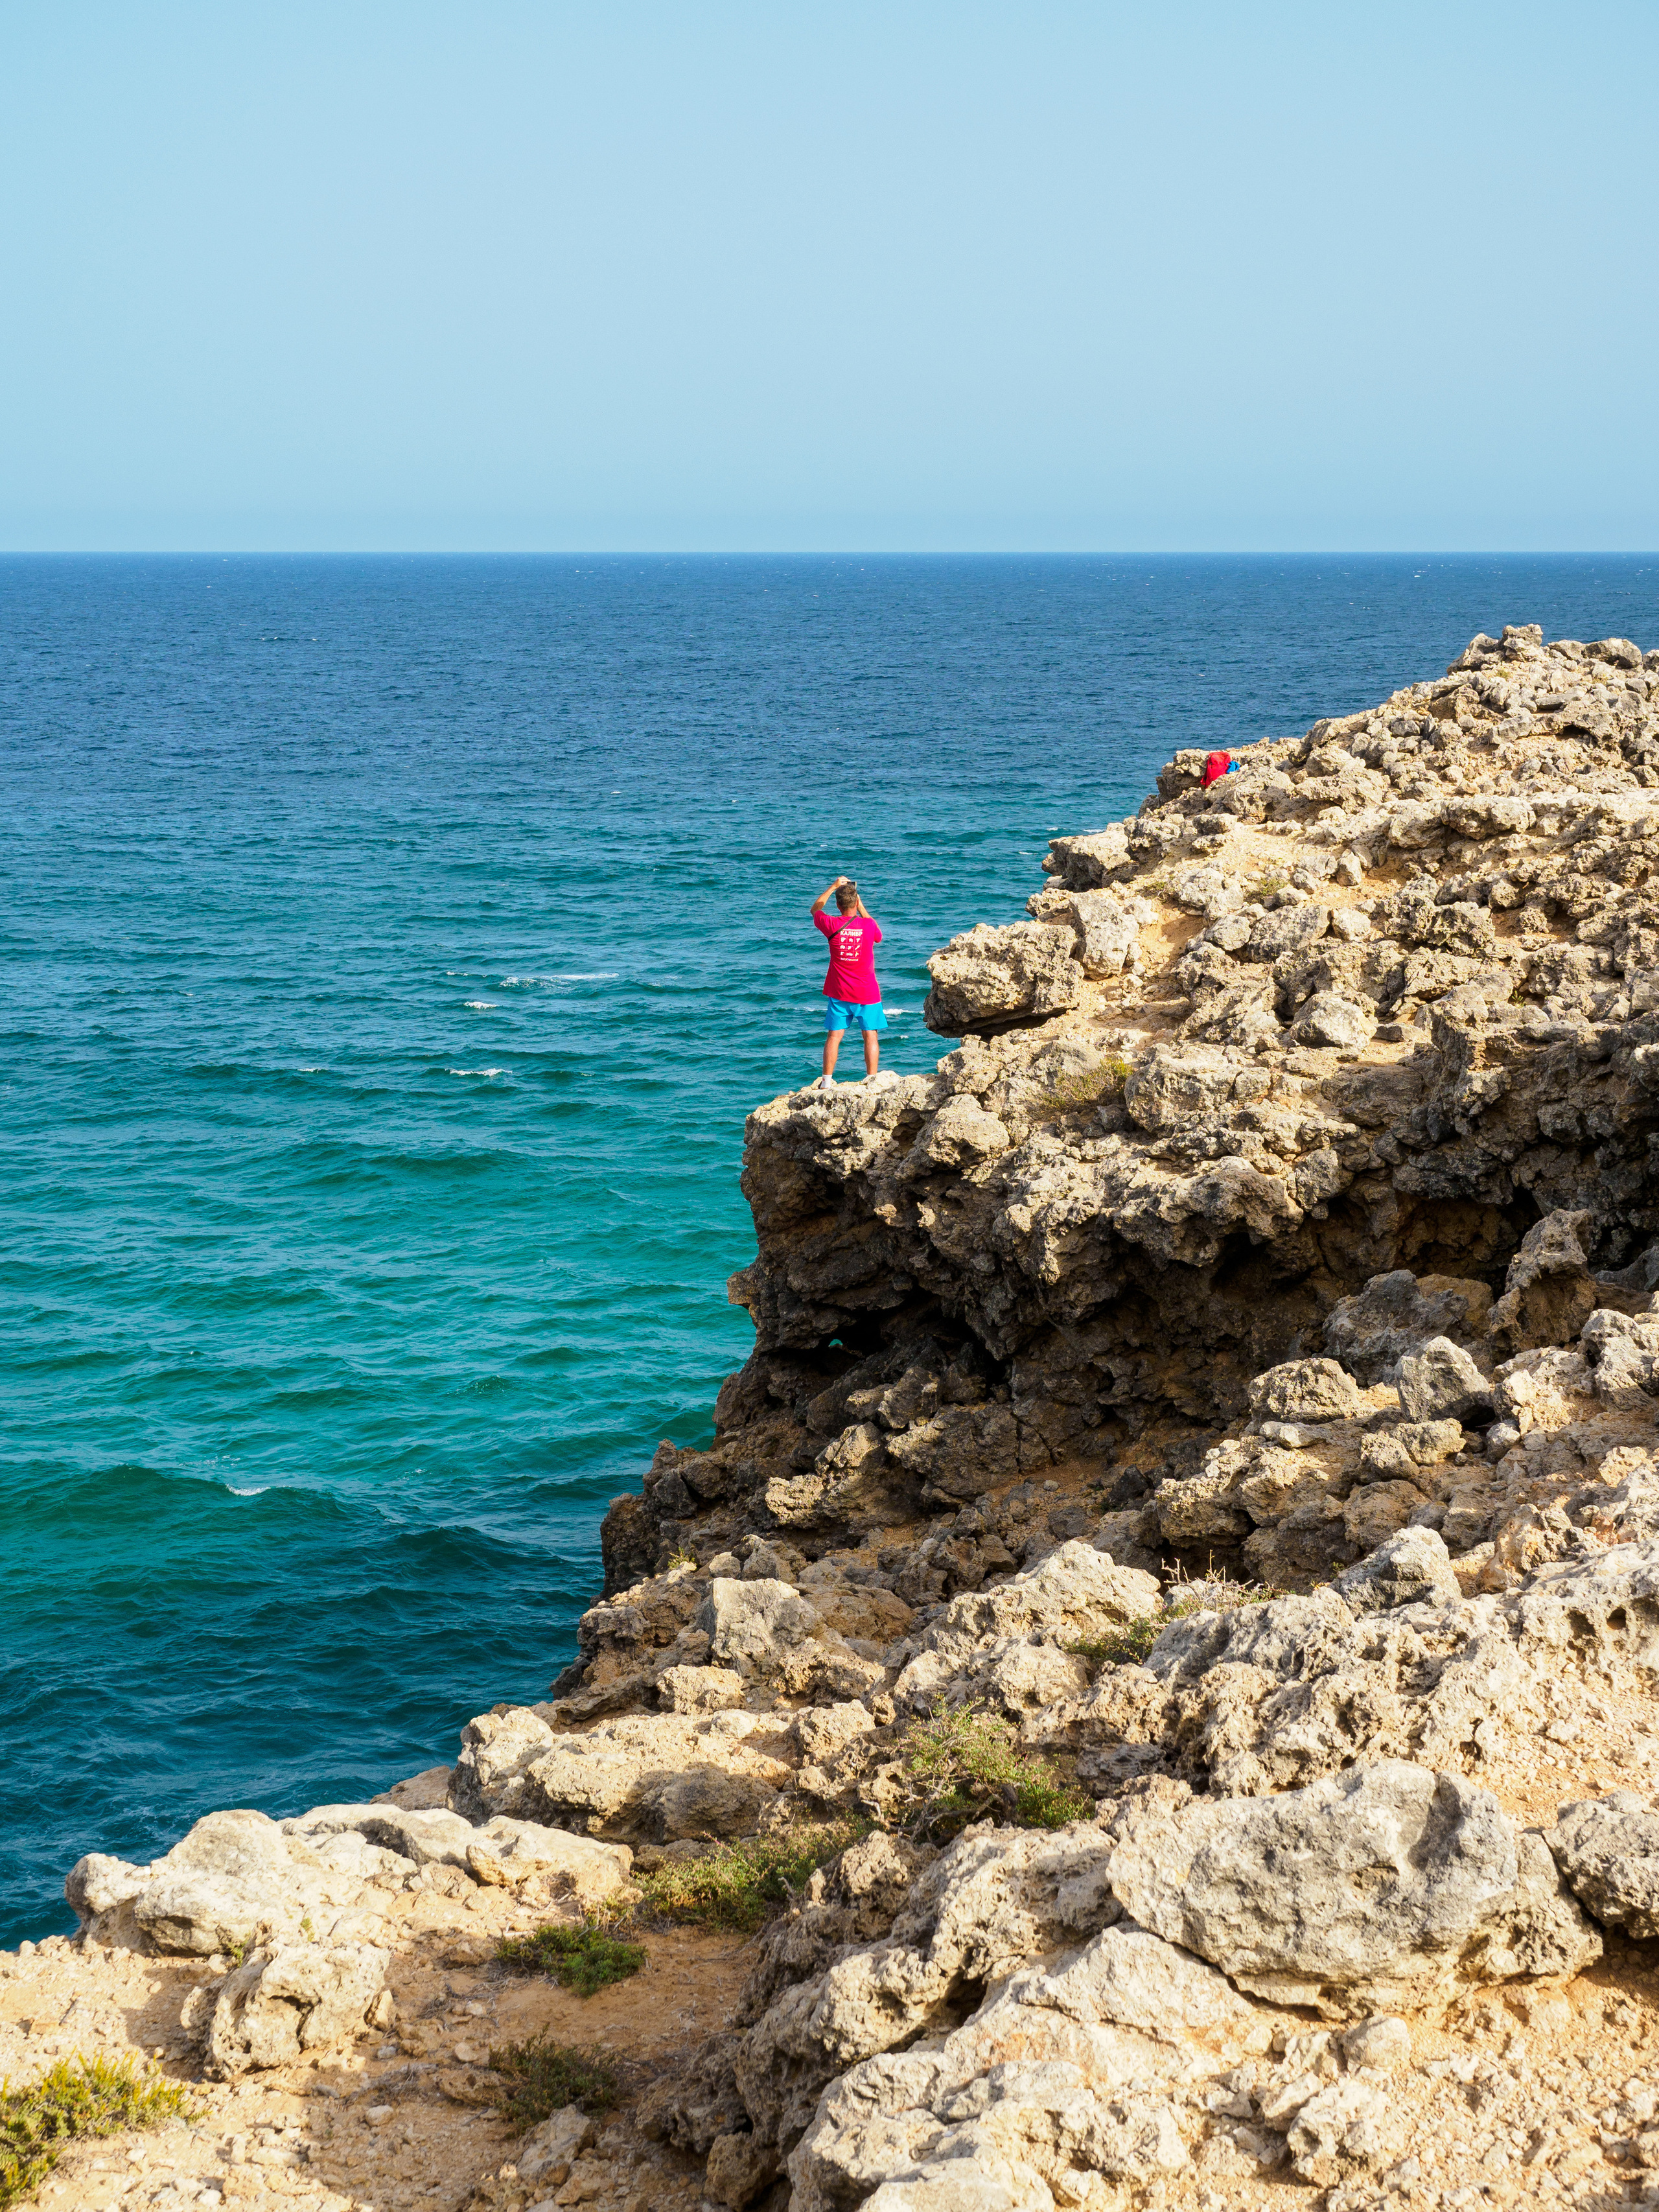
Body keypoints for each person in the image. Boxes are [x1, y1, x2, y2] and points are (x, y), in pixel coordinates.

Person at [810, 876, 885, 1087]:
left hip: (839, 991)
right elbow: (878, 936)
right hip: (867, 992)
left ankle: (826, 1081)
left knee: (834, 1037)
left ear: (838, 905)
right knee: (870, 1036)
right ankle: (871, 1080)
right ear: (856, 902)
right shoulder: (868, 925)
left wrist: (833, 886)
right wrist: (861, 908)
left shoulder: (831, 924)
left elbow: (815, 909)